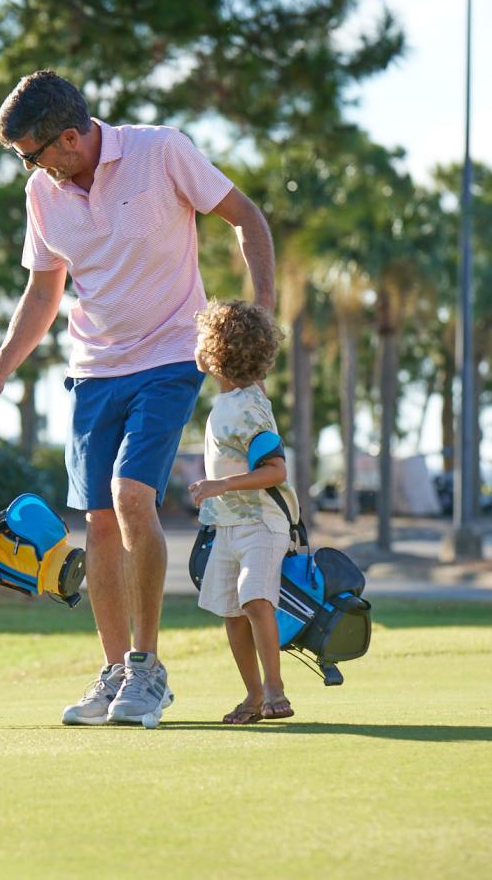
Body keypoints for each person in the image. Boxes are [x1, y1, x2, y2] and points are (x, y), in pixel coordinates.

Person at [0, 70, 277, 728]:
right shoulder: (41, 193)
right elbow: (44, 293)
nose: (29, 166)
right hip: (93, 370)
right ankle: (113, 674)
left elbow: (245, 216)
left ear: (71, 139)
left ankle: (148, 671)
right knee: (99, 520)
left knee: (134, 496)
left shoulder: (161, 151)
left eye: (32, 153)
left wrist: (263, 315)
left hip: (170, 356)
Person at [187, 299, 298, 723]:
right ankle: (253, 696)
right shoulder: (230, 401)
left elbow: (275, 470)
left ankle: (274, 688)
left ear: (217, 352)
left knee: (253, 599)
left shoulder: (249, 408)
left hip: (261, 523)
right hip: (228, 525)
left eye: (201, 339)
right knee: (231, 611)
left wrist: (221, 485)